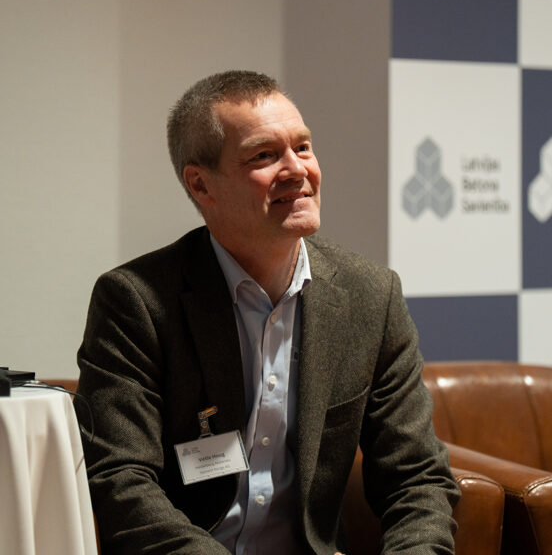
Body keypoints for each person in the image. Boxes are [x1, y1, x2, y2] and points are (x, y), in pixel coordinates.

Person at [75, 70, 459, 554]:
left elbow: (417, 478)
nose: (297, 170)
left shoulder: (370, 296)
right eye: (264, 155)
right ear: (201, 185)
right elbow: (119, 480)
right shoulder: (136, 301)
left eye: (303, 147)